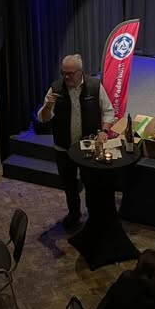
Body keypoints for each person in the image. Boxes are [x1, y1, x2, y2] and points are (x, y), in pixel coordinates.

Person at [37, 54, 115, 229]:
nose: (66, 77)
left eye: (70, 73)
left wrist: (104, 131)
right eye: (63, 73)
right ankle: (74, 214)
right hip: (63, 148)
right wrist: (48, 106)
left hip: (87, 148)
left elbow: (109, 111)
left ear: (80, 72)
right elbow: (43, 118)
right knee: (69, 186)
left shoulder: (94, 86)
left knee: (91, 185)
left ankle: (93, 217)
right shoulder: (55, 89)